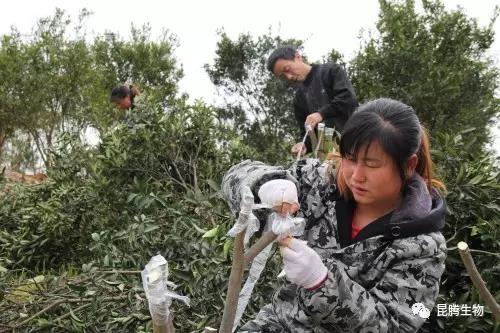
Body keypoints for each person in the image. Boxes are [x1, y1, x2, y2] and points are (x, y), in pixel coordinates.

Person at [222, 98, 447, 332]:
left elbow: (394, 325)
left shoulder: (422, 246)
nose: (356, 176)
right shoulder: (320, 184)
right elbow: (235, 175)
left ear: (409, 165)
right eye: (350, 158)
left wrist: (321, 284)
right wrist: (266, 185)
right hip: (278, 324)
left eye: (371, 164)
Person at [267, 45, 358, 156]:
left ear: (297, 57)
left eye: (287, 69)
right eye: (283, 76)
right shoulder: (299, 99)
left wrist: (321, 114)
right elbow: (307, 133)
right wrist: (303, 145)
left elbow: (348, 99)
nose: (289, 77)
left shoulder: (330, 71)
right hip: (331, 157)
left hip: (356, 142)